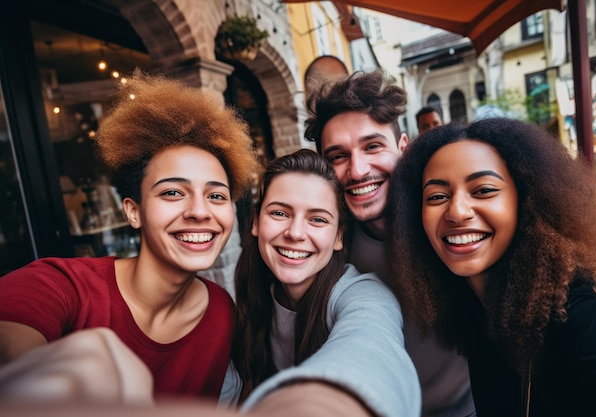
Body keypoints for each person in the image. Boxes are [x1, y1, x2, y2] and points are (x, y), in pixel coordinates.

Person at [0, 72, 258, 404]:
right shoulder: (60, 286)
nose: (200, 211)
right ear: (133, 211)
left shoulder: (222, 312)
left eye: (217, 196)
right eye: (173, 192)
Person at [386, 118, 596, 417]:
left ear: (527, 201)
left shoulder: (585, 311)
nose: (457, 211)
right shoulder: (479, 307)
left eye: (483, 190)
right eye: (437, 196)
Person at [304, 70, 475, 417]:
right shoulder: (328, 243)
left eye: (372, 146)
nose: (357, 170)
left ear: (404, 148)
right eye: (338, 156)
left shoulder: (452, 220)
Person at [232, 149, 419, 417]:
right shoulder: (254, 291)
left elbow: (370, 347)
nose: (295, 233)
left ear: (338, 236)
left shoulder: (362, 294)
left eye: (317, 219)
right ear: (255, 223)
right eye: (279, 213)